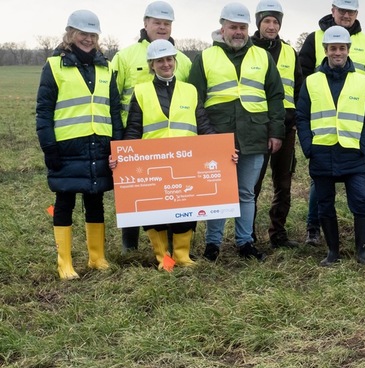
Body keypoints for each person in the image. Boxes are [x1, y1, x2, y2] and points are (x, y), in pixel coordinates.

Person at [188, 2, 286, 261]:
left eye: (243, 27)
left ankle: (245, 242)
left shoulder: (262, 57)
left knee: (245, 192)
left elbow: (276, 96)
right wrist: (203, 135)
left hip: (254, 135)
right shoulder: (205, 57)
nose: (239, 32)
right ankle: (213, 244)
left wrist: (276, 132)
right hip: (217, 137)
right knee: (218, 192)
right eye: (233, 27)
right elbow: (193, 99)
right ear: (223, 28)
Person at [113, 39, 218, 270]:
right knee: (153, 211)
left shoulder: (190, 91)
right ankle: (163, 257)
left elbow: (204, 125)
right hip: (153, 164)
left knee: (186, 209)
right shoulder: (140, 92)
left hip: (186, 162)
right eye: (159, 60)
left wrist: (221, 152)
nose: (166, 64)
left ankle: (182, 255)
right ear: (151, 65)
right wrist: (122, 157)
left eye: (169, 59)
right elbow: (133, 129)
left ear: (175, 61)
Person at [36, 10, 123, 280]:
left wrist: (117, 147)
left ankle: (97, 257)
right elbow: (44, 111)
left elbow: (114, 110)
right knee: (65, 201)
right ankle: (64, 262)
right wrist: (50, 148)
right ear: (71, 34)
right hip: (67, 148)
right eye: (82, 34)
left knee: (95, 201)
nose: (87, 39)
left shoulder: (106, 67)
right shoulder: (53, 66)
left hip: (99, 145)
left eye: (92, 35)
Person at [111, 0, 193, 253]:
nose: (162, 27)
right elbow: (112, 99)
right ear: (145, 23)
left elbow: (189, 101)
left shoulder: (185, 62)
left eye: (166, 23)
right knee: (137, 192)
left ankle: (172, 245)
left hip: (174, 142)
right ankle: (130, 245)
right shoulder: (124, 56)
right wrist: (119, 143)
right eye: (157, 22)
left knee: (172, 192)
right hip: (135, 138)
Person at [298, 0, 365, 246]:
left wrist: (364, 143)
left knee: (362, 191)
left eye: (350, 11)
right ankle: (314, 228)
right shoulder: (313, 40)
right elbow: (302, 82)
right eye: (341, 10)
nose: (345, 15)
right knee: (321, 193)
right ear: (332, 10)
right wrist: (308, 146)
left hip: (354, 142)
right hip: (322, 145)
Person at [250, 0, 304, 249]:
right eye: (267, 21)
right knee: (252, 185)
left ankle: (278, 233)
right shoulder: (247, 50)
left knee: (283, 183)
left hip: (285, 127)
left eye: (275, 21)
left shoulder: (290, 52)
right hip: (256, 126)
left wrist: (294, 122)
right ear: (258, 22)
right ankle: (246, 235)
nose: (271, 26)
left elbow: (299, 88)